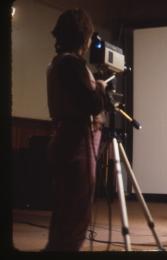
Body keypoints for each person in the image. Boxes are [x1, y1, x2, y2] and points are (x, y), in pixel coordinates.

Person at [44, 8, 107, 251]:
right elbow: (90, 103)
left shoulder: (60, 63)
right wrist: (100, 88)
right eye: (89, 36)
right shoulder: (71, 63)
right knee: (75, 214)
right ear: (83, 36)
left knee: (66, 213)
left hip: (67, 139)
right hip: (76, 144)